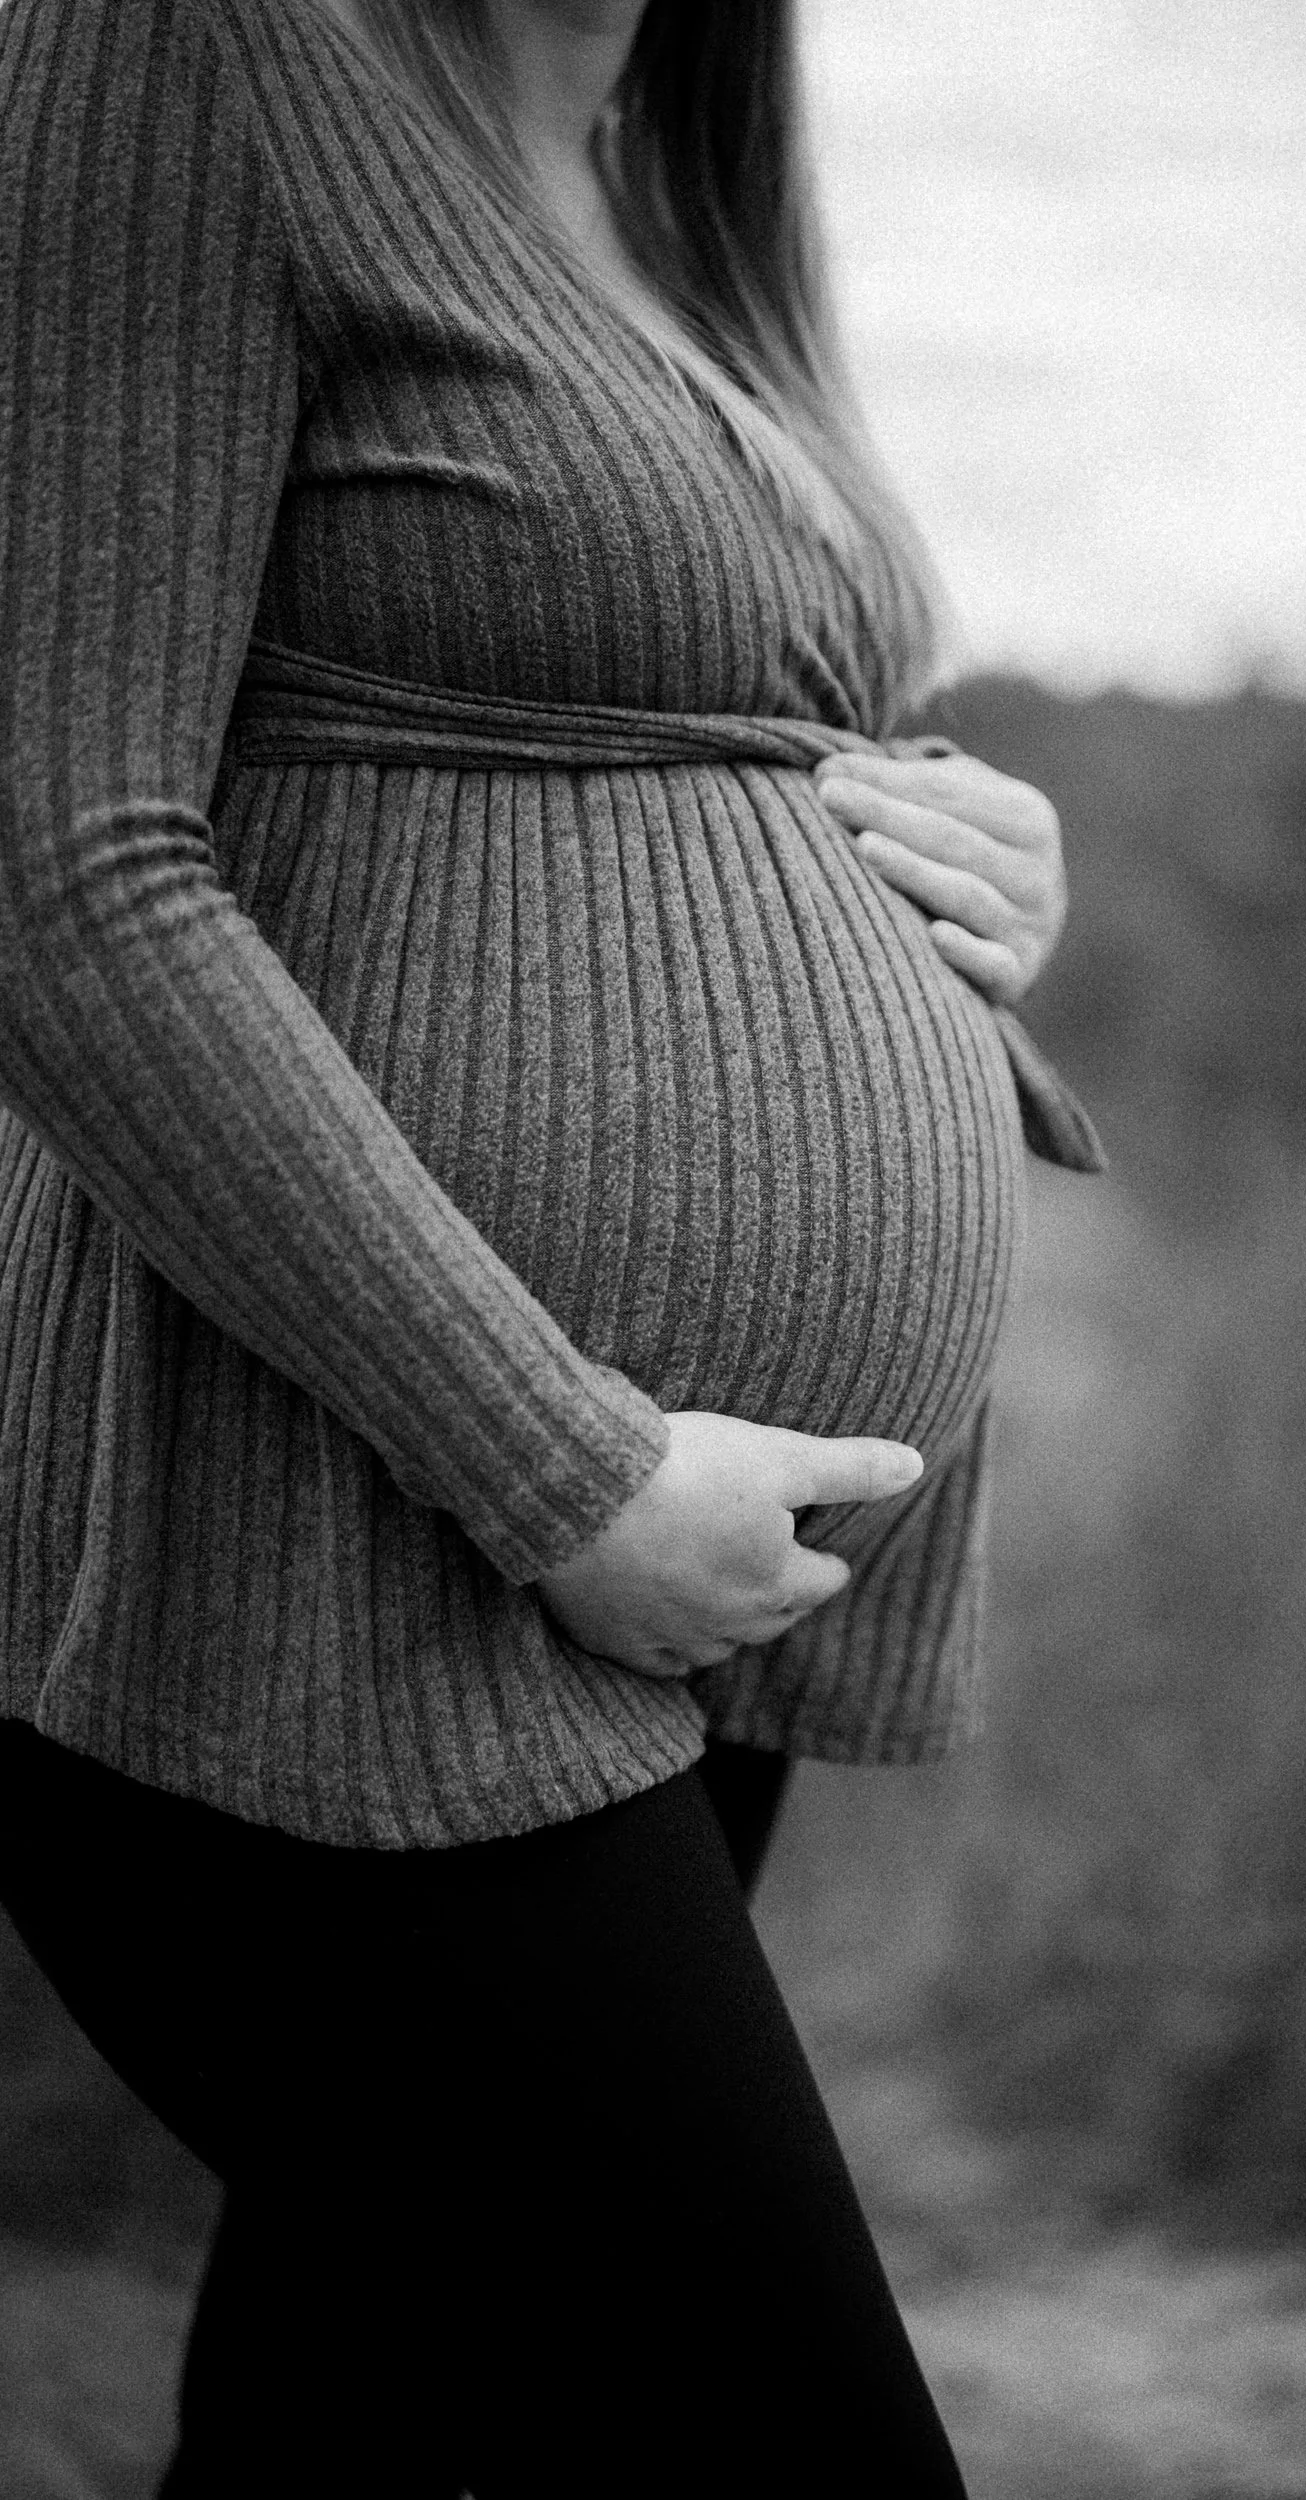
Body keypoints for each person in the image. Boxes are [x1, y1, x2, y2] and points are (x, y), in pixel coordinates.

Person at [0, 0, 1102, 2488]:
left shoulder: (672, 163)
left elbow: (672, 708)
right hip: (326, 1555)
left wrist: (970, 847)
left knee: (356, 2415)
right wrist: (561, 1468)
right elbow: (55, 870)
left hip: (678, 1578)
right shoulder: (187, 53)